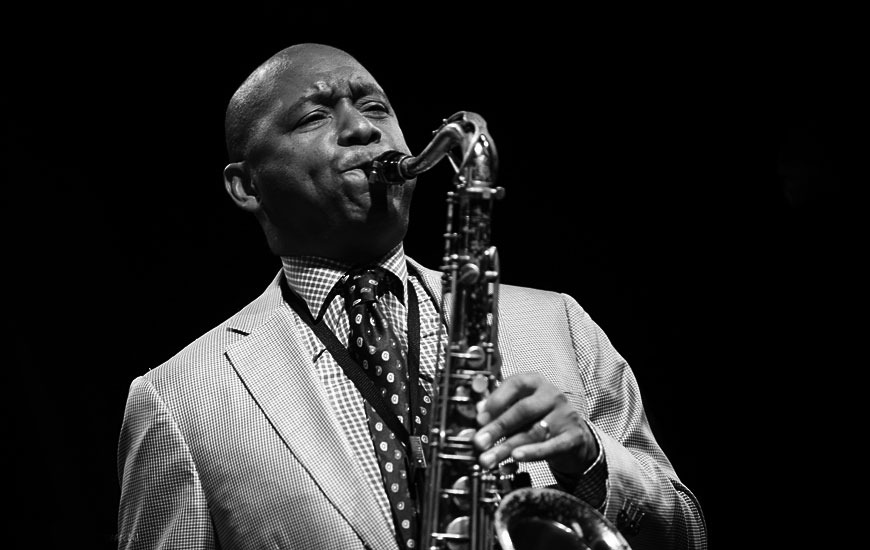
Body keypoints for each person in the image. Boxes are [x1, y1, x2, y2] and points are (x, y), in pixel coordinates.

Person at [116, 43, 707, 550]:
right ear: (246, 185)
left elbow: (688, 533)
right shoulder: (177, 399)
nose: (362, 129)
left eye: (375, 106)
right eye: (314, 116)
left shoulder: (560, 324)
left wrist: (591, 460)